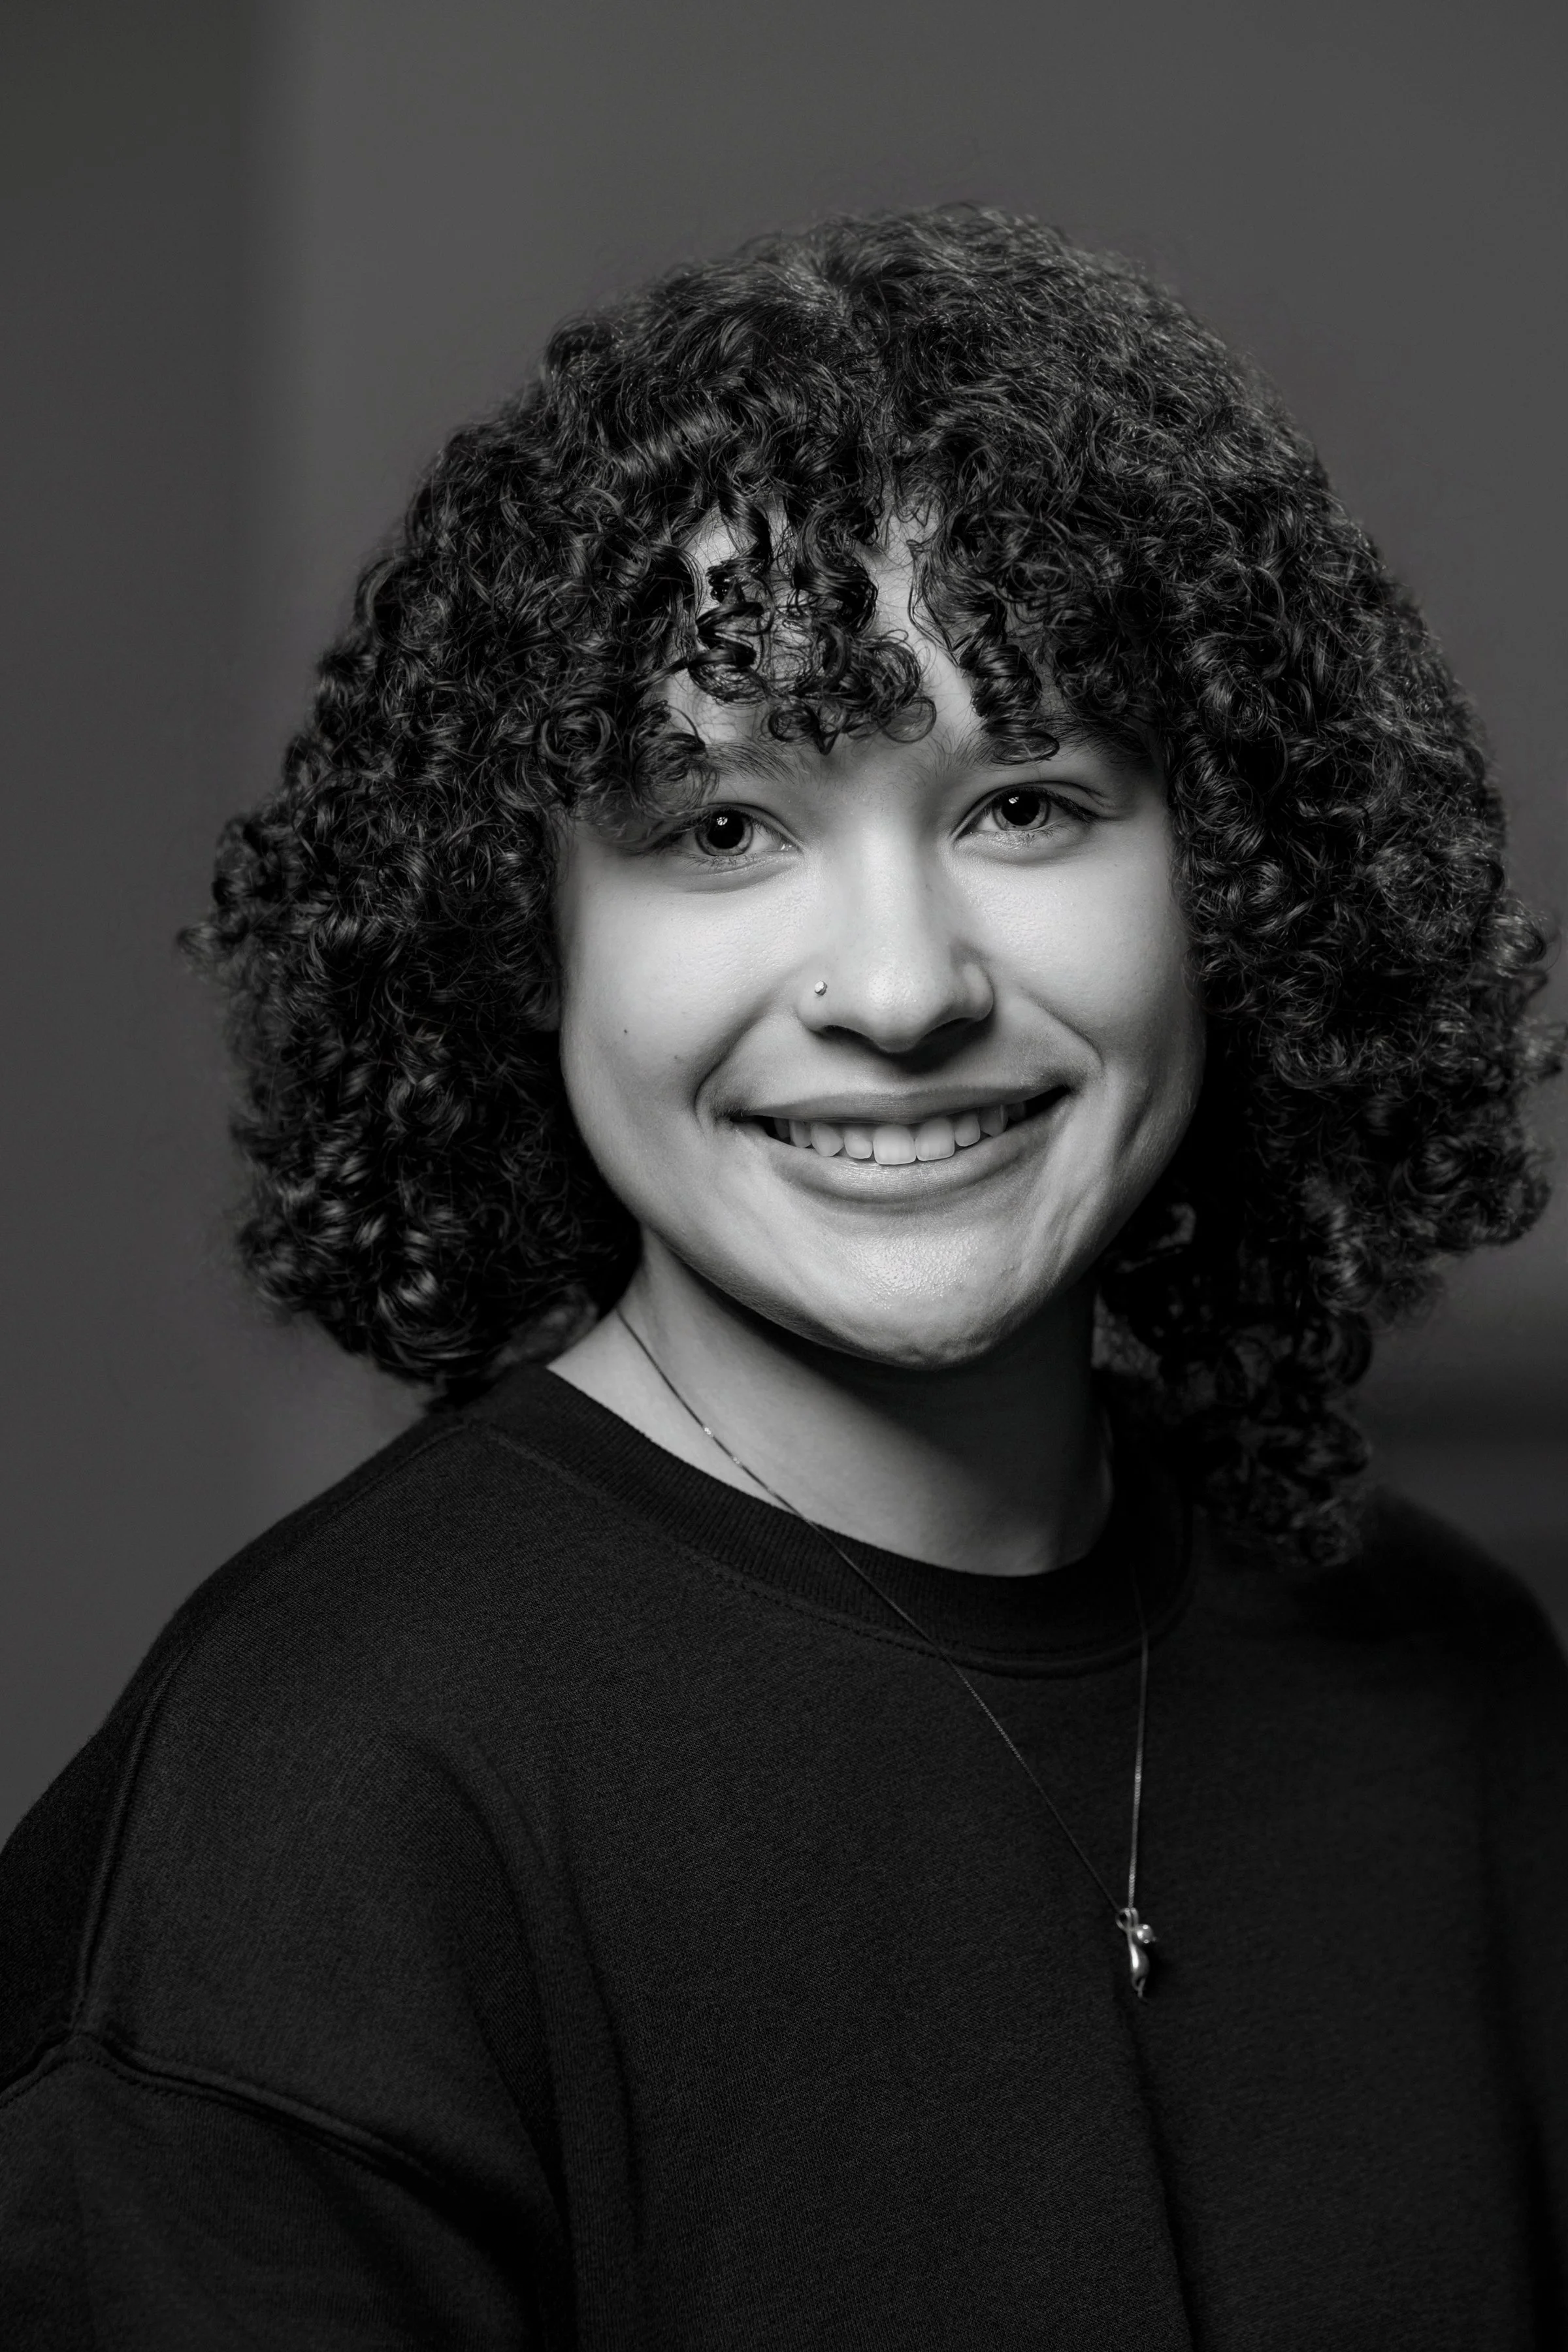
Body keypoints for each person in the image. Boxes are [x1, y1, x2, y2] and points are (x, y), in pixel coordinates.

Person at [1, 206, 1563, 2347]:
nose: (903, 991)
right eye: (721, 827)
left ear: (1238, 886)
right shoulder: (324, 1807)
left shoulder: (1445, 1682)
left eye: (1025, 800)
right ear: (522, 937)